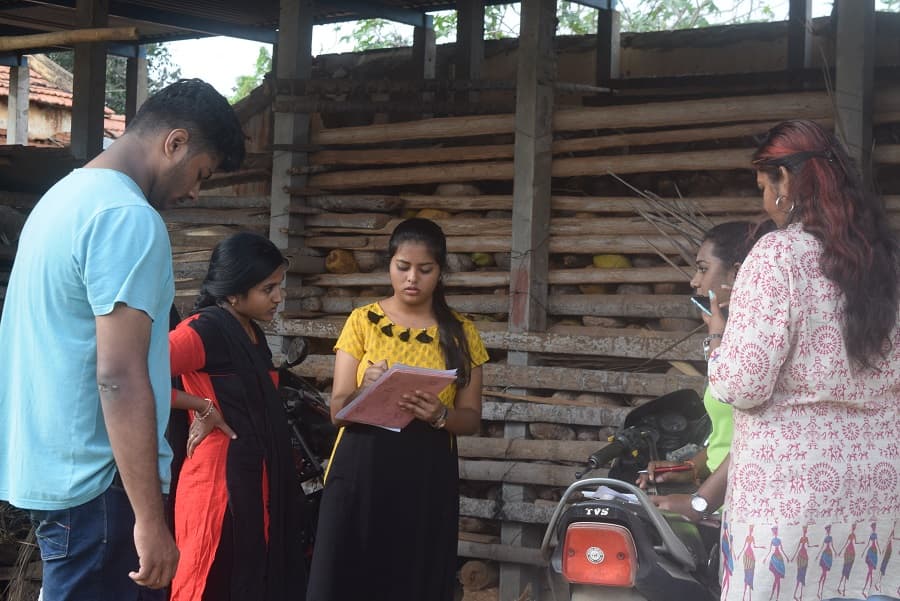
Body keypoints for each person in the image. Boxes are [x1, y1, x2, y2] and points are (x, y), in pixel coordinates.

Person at [0, 78, 245, 600]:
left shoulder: (62, 198)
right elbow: (120, 374)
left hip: (57, 473)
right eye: (200, 173)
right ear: (174, 142)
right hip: (101, 485)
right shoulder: (128, 217)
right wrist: (149, 520)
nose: (195, 191)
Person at [707, 119, 900, 601]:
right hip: (876, 501)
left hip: (791, 510)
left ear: (787, 181)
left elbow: (744, 384)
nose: (764, 202)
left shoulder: (778, 257)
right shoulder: (887, 261)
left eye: (763, 187)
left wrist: (716, 348)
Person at [306, 218, 489, 601]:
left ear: (440, 272)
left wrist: (440, 415)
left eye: (425, 270)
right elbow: (337, 411)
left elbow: (470, 417)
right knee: (349, 572)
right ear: (389, 264)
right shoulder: (363, 322)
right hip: (361, 468)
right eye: (402, 267)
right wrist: (363, 388)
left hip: (426, 471)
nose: (412, 279)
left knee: (412, 573)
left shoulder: (461, 332)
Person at [167, 232, 307, 601]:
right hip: (218, 488)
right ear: (233, 292)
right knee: (215, 583)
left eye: (279, 286)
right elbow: (132, 374)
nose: (278, 297)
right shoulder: (204, 330)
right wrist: (200, 405)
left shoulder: (250, 332)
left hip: (252, 483)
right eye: (268, 288)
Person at [638, 220, 774, 519]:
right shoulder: (735, 338)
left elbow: (755, 440)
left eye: (702, 268)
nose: (693, 281)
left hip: (747, 515)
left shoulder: (759, 347)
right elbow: (727, 436)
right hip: (722, 505)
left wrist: (699, 503)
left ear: (737, 274)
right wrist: (689, 468)